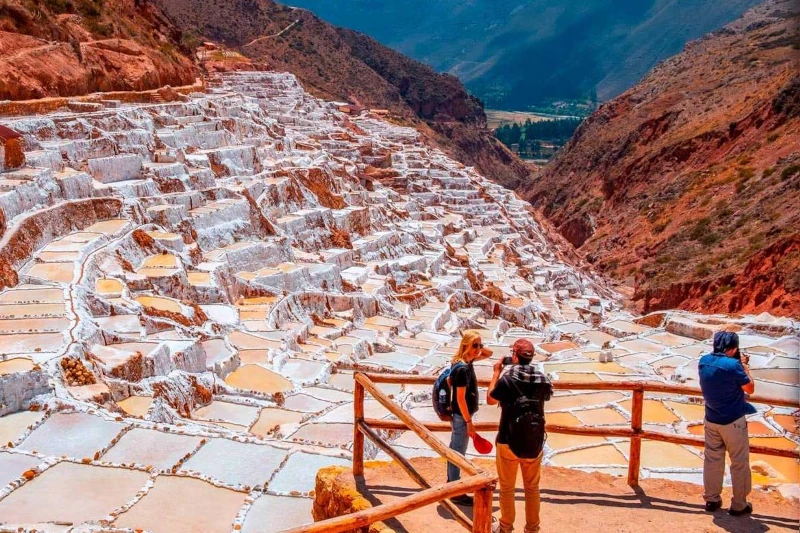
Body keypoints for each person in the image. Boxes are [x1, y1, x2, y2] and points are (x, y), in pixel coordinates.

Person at [487, 339, 552, 533]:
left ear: (514, 355)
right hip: (534, 442)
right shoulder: (543, 379)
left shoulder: (508, 378)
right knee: (532, 488)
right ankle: (532, 529)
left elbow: (491, 399)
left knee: (507, 488)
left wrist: (496, 372)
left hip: (508, 440)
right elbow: (546, 396)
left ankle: (505, 527)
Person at [699, 331, 755, 516]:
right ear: (733, 348)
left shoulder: (703, 361)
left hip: (711, 419)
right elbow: (750, 388)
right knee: (739, 462)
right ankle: (739, 504)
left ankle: (711, 499)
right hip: (733, 422)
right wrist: (745, 366)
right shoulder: (733, 366)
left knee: (713, 460)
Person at [447, 329, 492, 506]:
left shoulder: (465, 362)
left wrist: (476, 345)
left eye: (479, 345)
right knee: (458, 452)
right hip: (461, 417)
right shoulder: (462, 369)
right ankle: (455, 491)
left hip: (461, 416)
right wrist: (469, 423)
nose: (479, 349)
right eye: (475, 345)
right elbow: (460, 398)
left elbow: (490, 353)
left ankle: (452, 484)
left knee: (456, 450)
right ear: (465, 344)